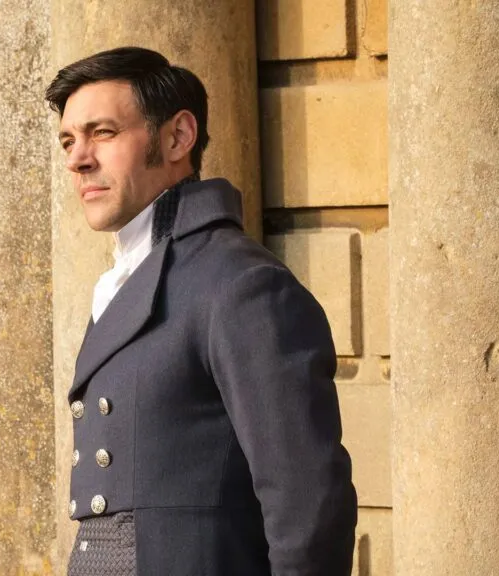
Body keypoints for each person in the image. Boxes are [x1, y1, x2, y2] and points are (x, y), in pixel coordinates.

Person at [46, 46, 358, 576]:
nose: (78, 159)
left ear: (178, 137)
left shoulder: (241, 285)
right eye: (69, 141)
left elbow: (309, 507)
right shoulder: (132, 278)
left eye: (103, 133)